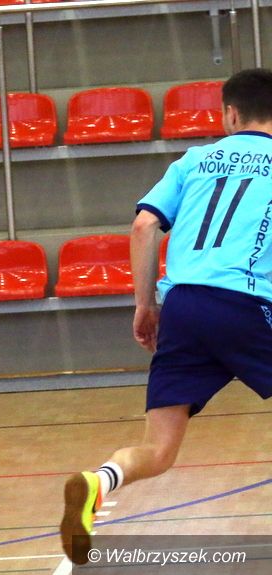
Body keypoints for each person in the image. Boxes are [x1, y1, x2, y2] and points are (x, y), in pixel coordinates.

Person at [60, 68, 272, 564]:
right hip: (246, 303)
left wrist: (145, 304)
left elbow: (143, 226)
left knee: (158, 450)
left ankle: (99, 481)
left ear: (230, 114)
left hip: (182, 307)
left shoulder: (194, 160)